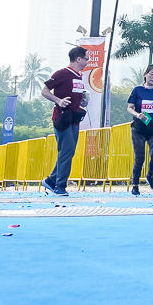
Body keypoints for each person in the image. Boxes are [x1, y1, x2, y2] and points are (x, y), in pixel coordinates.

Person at [42, 47, 92, 197]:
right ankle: (60, 185)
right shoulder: (62, 73)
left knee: (69, 151)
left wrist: (83, 101)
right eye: (86, 59)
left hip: (74, 119)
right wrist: (58, 100)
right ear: (78, 59)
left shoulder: (79, 76)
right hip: (62, 118)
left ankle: (51, 180)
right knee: (66, 150)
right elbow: (45, 91)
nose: (87, 62)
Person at [126, 64, 153, 195]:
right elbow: (129, 107)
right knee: (139, 158)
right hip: (139, 128)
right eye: (152, 74)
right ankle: (135, 185)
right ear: (145, 75)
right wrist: (137, 114)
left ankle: (149, 175)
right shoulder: (137, 90)